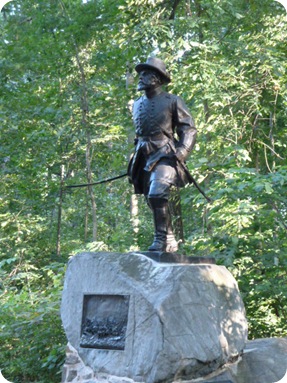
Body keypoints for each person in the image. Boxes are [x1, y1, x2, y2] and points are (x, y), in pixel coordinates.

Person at [128, 57, 197, 252]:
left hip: (165, 154)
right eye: (141, 74)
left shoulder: (172, 101)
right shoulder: (136, 104)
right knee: (152, 199)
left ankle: (161, 239)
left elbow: (189, 129)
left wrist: (183, 151)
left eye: (147, 74)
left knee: (157, 193)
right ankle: (169, 237)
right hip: (143, 155)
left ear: (157, 78)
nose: (141, 77)